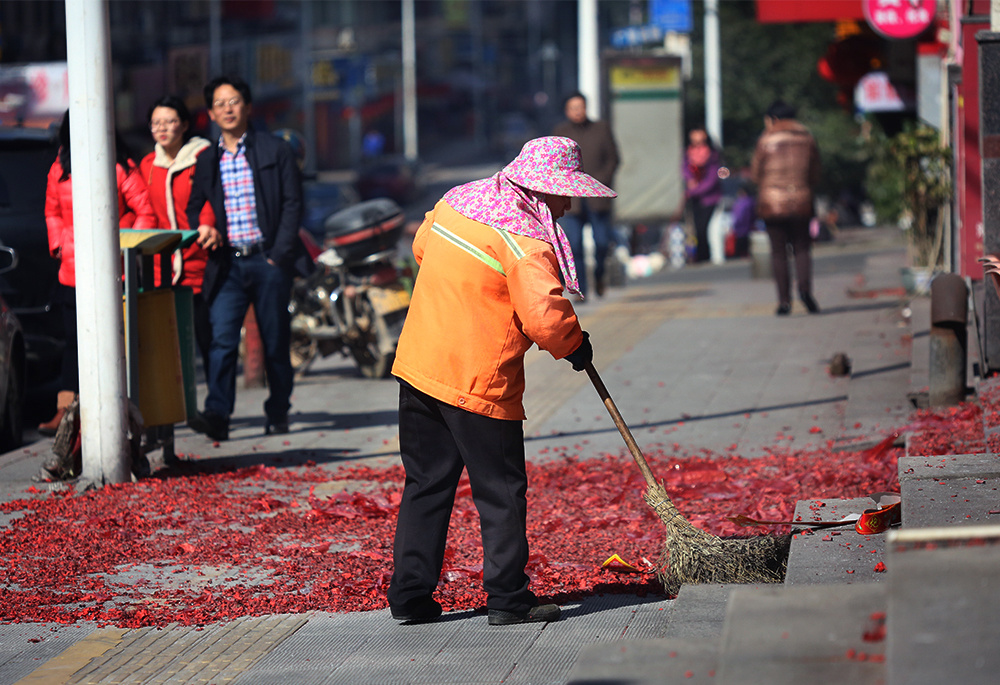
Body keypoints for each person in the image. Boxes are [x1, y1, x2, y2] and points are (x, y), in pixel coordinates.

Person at [387, 136, 612, 626]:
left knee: (426, 484)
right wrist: (576, 345)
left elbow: (423, 247)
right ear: (538, 189)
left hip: (420, 364)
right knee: (501, 489)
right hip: (477, 382)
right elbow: (545, 319)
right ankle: (508, 599)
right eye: (563, 193)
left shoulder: (457, 201)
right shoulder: (525, 243)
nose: (569, 203)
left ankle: (409, 597)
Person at [185, 75, 306, 441]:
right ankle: (218, 414)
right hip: (227, 263)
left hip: (267, 260)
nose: (227, 108)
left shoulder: (275, 150)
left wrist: (278, 256)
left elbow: (293, 204)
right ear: (210, 113)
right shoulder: (206, 160)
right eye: (220, 103)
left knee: (274, 341)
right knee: (222, 340)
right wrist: (203, 229)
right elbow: (194, 208)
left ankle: (278, 409)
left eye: (234, 101)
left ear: (248, 107)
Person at [40, 110, 157, 435]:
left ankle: (123, 411)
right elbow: (51, 211)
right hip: (72, 271)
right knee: (73, 343)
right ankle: (65, 413)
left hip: (112, 272)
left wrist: (124, 243)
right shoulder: (60, 168)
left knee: (116, 342)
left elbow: (143, 209)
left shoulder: (120, 166)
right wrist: (59, 245)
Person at [139, 95, 216, 375]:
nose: (162, 128)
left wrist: (207, 224)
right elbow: (140, 208)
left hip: (203, 261)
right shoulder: (147, 165)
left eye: (170, 121)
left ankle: (216, 407)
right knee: (168, 347)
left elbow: (212, 199)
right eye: (156, 123)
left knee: (209, 339)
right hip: (162, 269)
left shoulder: (203, 157)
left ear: (184, 125)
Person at [750, 100, 821, 316]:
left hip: (773, 204)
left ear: (773, 119)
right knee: (802, 249)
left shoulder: (765, 139)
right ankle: (805, 291)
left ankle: (784, 302)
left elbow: (755, 174)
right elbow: (815, 172)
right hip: (801, 200)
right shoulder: (807, 138)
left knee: (778, 252)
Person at [552, 92, 619, 299]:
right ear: (567, 111)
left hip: (596, 198)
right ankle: (581, 289)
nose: (577, 111)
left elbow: (613, 159)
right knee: (574, 246)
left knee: (601, 242)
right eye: (573, 108)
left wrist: (598, 181)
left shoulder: (601, 129)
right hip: (571, 200)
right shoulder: (560, 133)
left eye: (580, 107)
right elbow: (553, 165)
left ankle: (599, 275)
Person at [682, 127, 722, 263]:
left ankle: (704, 257)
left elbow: (712, 180)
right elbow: (684, 169)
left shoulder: (713, 156)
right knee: (696, 228)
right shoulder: (687, 155)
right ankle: (699, 256)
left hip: (709, 198)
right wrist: (689, 181)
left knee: (702, 228)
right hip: (694, 199)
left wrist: (693, 190)